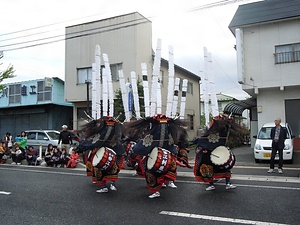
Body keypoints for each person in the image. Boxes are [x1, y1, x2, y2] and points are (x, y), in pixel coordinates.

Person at [193, 114, 243, 191]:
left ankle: (228, 183)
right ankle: (211, 184)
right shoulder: (209, 131)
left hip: (220, 151)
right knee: (210, 168)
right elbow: (203, 140)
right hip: (210, 152)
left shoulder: (223, 130)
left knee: (226, 168)